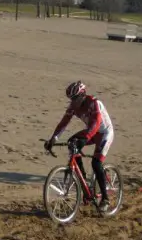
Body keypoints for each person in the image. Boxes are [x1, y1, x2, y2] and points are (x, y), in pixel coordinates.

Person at [44, 81, 114, 212]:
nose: (72, 102)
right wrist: (53, 138)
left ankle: (105, 198)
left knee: (96, 163)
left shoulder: (94, 103)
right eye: (71, 99)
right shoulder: (73, 107)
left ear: (82, 95)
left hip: (104, 132)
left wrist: (85, 138)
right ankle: (83, 181)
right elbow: (64, 123)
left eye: (75, 98)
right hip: (92, 132)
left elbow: (96, 123)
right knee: (72, 142)